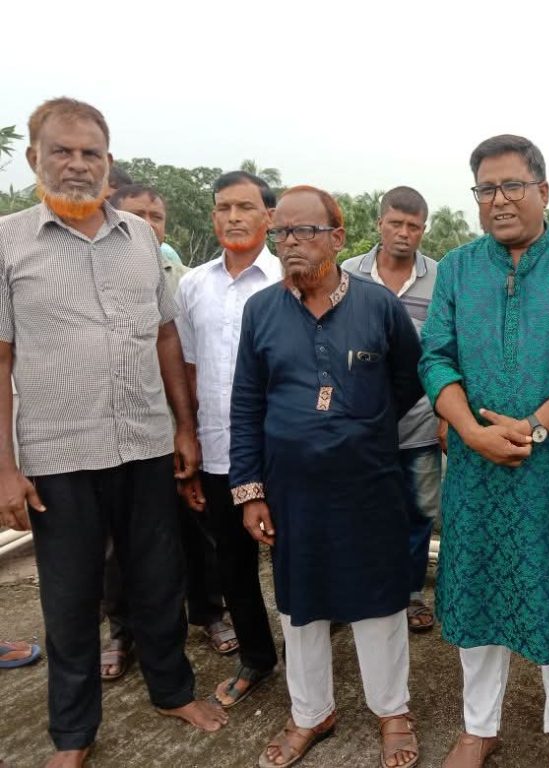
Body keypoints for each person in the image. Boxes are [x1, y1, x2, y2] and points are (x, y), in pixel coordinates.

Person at [0, 97, 226, 768]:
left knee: (158, 578)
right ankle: (73, 733)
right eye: (61, 151)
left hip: (146, 443)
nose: (76, 164)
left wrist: (184, 427)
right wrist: (5, 467)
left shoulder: (141, 240)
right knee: (71, 598)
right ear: (34, 157)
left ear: (108, 161)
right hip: (59, 453)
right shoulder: (8, 242)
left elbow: (165, 337)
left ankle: (172, 690)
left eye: (89, 153)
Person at [419, 134, 549, 768]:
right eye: (486, 189)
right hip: (476, 469)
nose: (499, 199)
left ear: (543, 190)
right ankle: (478, 728)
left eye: (512, 185)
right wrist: (470, 431)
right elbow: (435, 359)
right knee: (477, 592)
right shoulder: (458, 269)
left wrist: (534, 427)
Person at [231, 185, 423, 768]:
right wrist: (250, 491)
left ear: (337, 238)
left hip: (370, 483)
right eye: (281, 233)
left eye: (304, 231)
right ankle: (311, 713)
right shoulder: (261, 310)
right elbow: (246, 403)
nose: (289, 243)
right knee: (301, 604)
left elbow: (408, 379)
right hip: (292, 491)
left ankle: (392, 711)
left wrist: (359, 423)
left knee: (379, 600)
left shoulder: (378, 306)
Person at [175, 171, 282, 710]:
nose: (233, 217)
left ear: (269, 216)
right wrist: (189, 438)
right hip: (219, 449)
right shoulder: (193, 285)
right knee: (233, 564)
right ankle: (258, 657)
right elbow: (190, 369)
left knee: (292, 560)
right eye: (223, 207)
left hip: (282, 450)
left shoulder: (288, 279)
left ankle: (310, 663)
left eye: (245, 207)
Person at [99, 183, 212, 681]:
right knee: (118, 540)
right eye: (137, 214)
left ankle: (209, 612)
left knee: (195, 526)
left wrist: (190, 426)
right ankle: (122, 630)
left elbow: (192, 357)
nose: (148, 224)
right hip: (117, 431)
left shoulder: (186, 282)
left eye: (156, 215)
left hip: (177, 424)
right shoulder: (95, 274)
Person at [343, 186, 441, 633]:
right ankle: (357, 590)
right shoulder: (347, 274)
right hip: (357, 426)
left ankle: (410, 592)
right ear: (379, 223)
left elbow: (448, 349)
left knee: (418, 512)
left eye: (413, 226)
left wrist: (446, 415)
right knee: (356, 511)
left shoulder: (441, 278)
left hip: (420, 422)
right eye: (396, 223)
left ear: (424, 229)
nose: (404, 233)